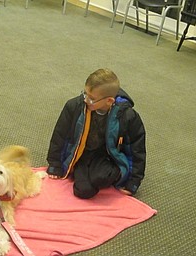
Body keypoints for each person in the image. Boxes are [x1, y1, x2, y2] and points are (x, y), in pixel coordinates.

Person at [46, 68, 146, 199]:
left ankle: (104, 174)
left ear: (109, 101)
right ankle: (84, 172)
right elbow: (60, 135)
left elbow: (136, 150)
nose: (86, 100)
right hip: (81, 154)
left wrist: (133, 182)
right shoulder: (74, 106)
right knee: (83, 191)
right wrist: (55, 165)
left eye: (92, 98)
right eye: (85, 93)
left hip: (106, 157)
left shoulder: (128, 116)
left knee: (101, 178)